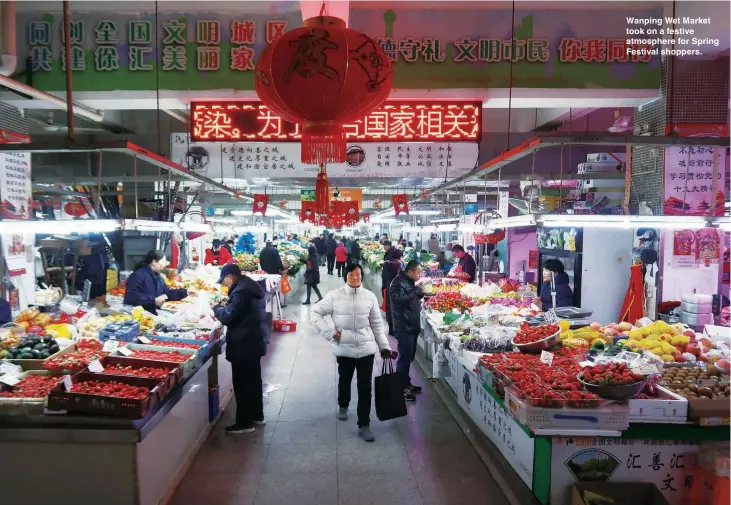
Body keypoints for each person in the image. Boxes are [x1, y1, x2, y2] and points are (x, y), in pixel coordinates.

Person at [310, 264, 396, 442]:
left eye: (358, 274)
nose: (355, 277)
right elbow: (315, 312)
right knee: (345, 379)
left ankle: (364, 424)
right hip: (344, 348)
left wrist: (384, 346)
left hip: (366, 349)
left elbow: (377, 325)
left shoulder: (369, 296)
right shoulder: (335, 296)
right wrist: (330, 333)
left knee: (365, 387)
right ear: (345, 276)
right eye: (351, 274)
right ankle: (343, 404)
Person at [213, 264, 268, 434]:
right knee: (253, 380)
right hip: (254, 340)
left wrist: (217, 308)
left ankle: (244, 423)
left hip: (243, 343)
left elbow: (228, 317)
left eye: (225, 281)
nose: (224, 284)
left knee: (242, 383)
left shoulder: (240, 292)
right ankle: (257, 415)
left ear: (232, 277)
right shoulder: (250, 286)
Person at [390, 260, 424, 402]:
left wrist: (420, 292)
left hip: (412, 325)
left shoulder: (408, 281)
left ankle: (406, 383)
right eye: (418, 272)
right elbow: (400, 299)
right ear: (410, 272)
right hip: (404, 327)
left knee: (409, 357)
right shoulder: (397, 283)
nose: (420, 274)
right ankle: (400, 389)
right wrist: (416, 290)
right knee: (404, 359)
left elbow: (410, 299)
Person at [124, 250, 188, 314]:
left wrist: (185, 292)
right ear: (154, 262)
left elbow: (167, 293)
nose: (164, 265)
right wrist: (153, 300)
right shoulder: (137, 275)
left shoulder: (159, 278)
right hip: (139, 316)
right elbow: (131, 296)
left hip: (152, 315)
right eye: (163, 262)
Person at [381, 248, 403, 336]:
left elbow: (383, 276)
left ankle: (390, 328)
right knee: (396, 309)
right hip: (396, 289)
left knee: (389, 308)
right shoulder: (398, 265)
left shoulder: (386, 264)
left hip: (387, 287)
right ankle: (395, 329)